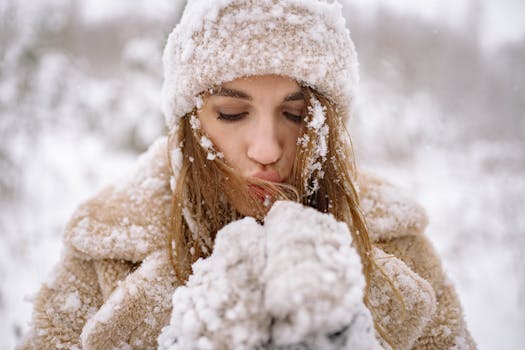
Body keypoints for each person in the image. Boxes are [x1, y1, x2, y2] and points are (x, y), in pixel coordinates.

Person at [18, 1, 476, 349]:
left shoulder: (393, 242)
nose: (266, 149)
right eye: (233, 113)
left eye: (296, 115)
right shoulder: (106, 246)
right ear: (189, 124)